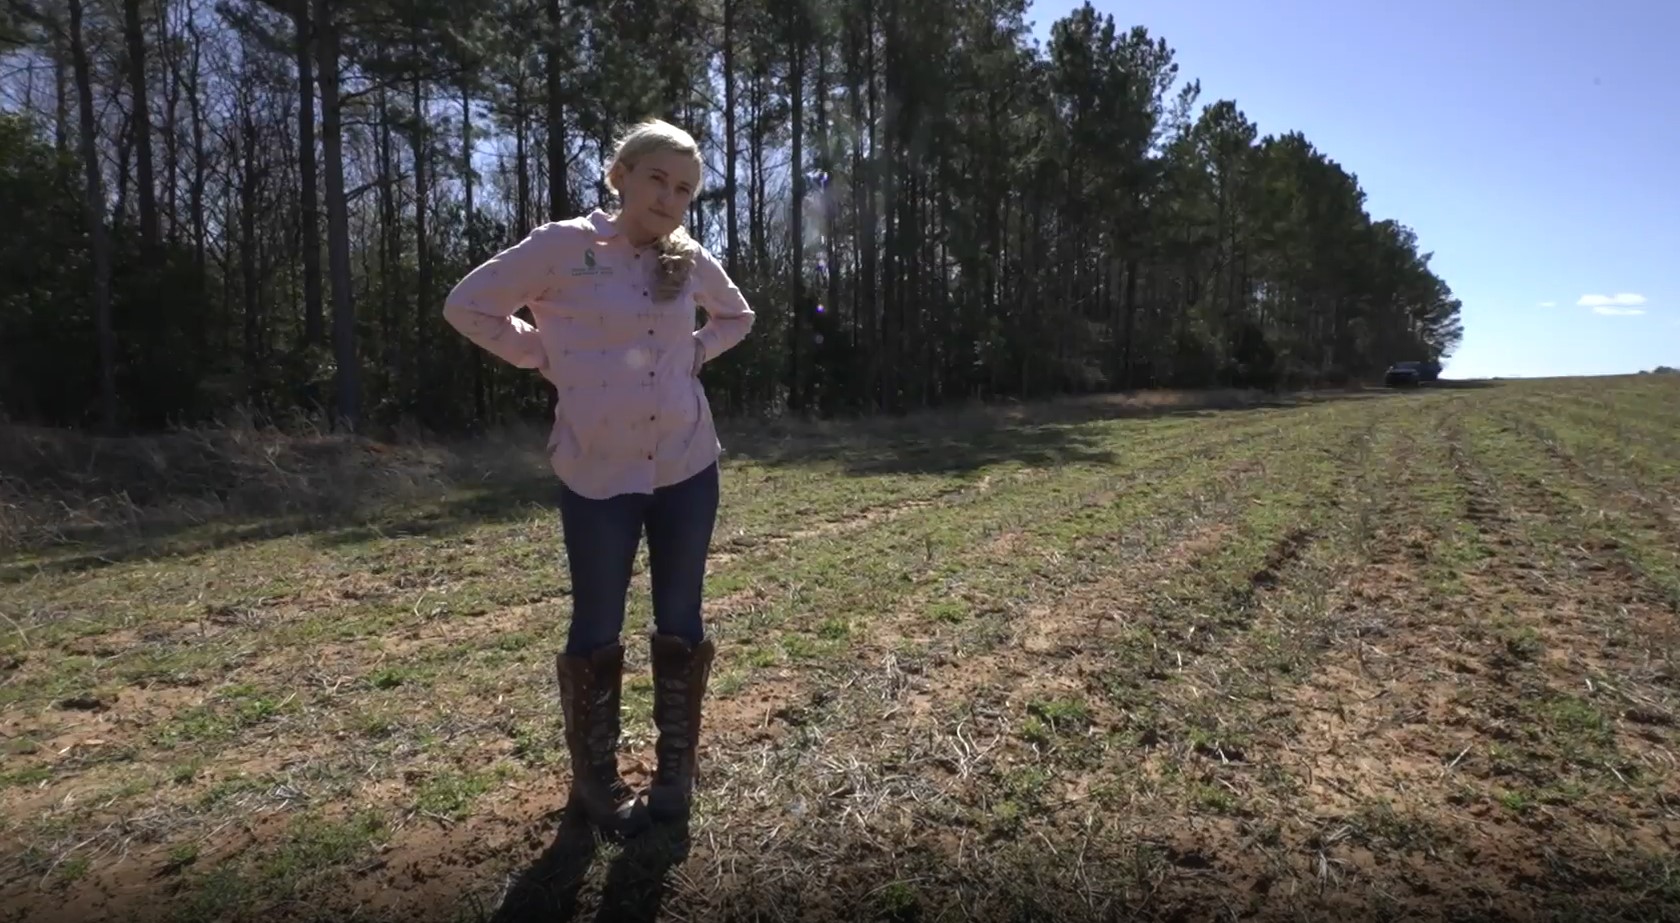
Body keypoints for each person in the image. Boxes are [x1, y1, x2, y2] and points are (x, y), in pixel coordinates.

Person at [441, 118, 755, 835]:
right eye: (658, 178)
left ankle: (675, 773)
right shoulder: (562, 247)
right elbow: (468, 305)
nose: (671, 197)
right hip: (595, 472)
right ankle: (597, 784)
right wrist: (540, 353)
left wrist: (695, 356)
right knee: (596, 627)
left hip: (685, 465)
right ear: (619, 175)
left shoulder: (687, 256)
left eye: (685, 188)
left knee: (681, 620)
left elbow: (738, 315)